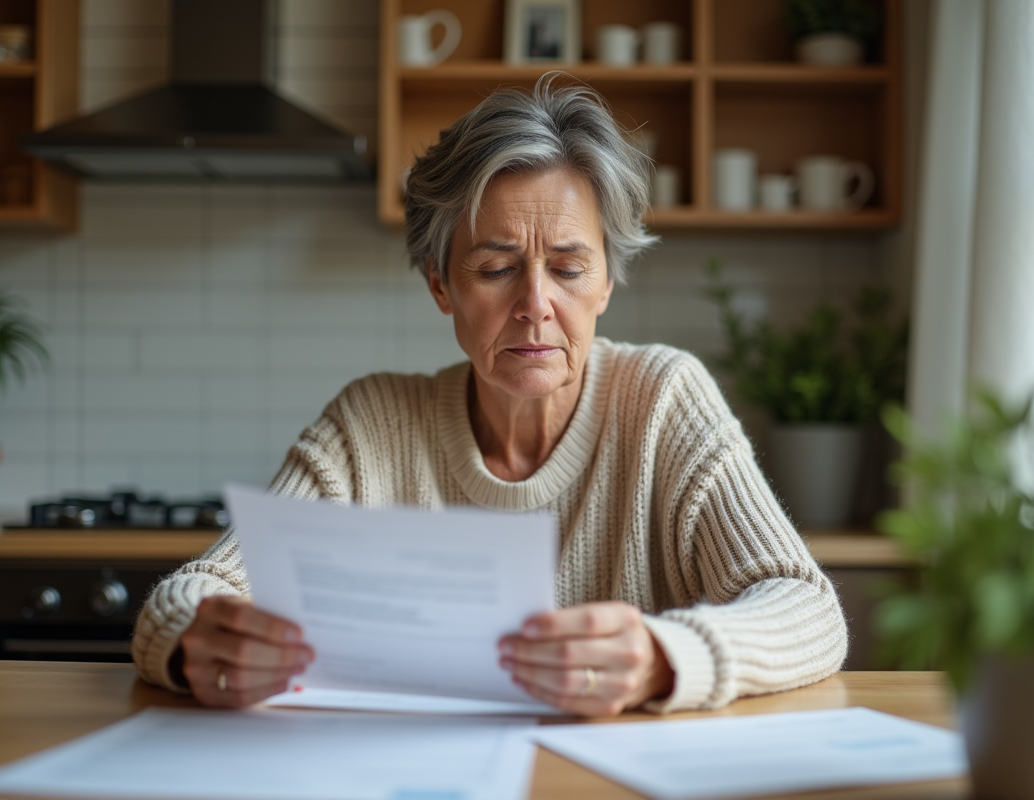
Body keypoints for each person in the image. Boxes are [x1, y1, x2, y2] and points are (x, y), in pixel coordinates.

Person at [132, 73, 847, 716]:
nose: (536, 304)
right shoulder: (370, 425)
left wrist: (664, 657)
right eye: (497, 267)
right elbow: (193, 593)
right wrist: (197, 639)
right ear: (440, 284)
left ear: (608, 282)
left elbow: (809, 610)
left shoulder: (664, 400)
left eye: (568, 269)